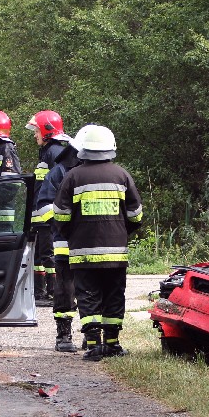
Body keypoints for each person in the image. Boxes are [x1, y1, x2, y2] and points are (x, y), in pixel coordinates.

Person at [53, 124, 143, 360]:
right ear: (110, 148)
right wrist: (122, 232)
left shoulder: (73, 176)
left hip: (83, 253)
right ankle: (112, 344)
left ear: (83, 150)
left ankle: (93, 345)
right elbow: (136, 215)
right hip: (115, 253)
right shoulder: (122, 175)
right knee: (114, 295)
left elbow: (60, 215)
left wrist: (73, 233)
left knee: (87, 296)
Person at [35, 138, 81, 351]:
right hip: (67, 243)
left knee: (93, 291)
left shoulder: (98, 172)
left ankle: (93, 338)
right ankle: (64, 336)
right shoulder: (60, 172)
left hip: (94, 244)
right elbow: (44, 206)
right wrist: (63, 225)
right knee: (65, 289)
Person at [26, 110, 72, 307]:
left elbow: (60, 183)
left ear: (46, 131)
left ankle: (54, 292)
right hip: (40, 216)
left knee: (49, 255)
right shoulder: (47, 152)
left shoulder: (54, 152)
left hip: (48, 216)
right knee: (39, 256)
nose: (35, 135)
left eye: (36, 130)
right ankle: (40, 292)